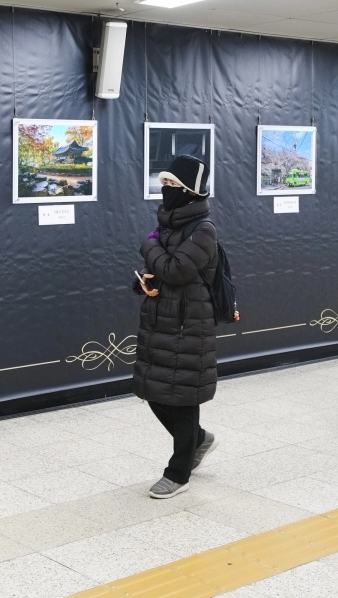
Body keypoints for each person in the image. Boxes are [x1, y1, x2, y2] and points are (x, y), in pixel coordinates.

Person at [134, 155, 219, 499]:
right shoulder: (166, 227)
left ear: (191, 191)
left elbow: (175, 270)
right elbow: (160, 272)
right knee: (153, 391)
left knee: (182, 398)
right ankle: (198, 440)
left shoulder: (203, 230)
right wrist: (142, 282)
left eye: (174, 185)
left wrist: (149, 245)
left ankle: (178, 473)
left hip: (188, 324)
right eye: (165, 183)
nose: (167, 189)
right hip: (159, 319)